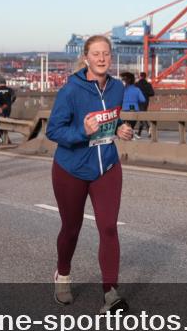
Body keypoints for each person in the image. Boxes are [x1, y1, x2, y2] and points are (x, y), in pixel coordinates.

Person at [46, 35, 134, 313]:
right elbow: (53, 130)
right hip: (71, 168)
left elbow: (113, 118)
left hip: (106, 166)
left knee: (108, 228)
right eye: (96, 54)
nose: (101, 58)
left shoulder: (118, 87)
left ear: (111, 57)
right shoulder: (71, 90)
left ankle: (110, 294)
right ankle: (62, 273)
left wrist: (121, 128)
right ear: (86, 58)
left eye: (106, 54)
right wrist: (81, 132)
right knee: (71, 228)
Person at [120, 72, 147, 138]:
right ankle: (132, 137)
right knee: (131, 127)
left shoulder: (122, 90)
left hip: (124, 110)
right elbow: (143, 100)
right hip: (134, 110)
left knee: (125, 129)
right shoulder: (137, 90)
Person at [0, 78, 16, 144]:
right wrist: (10, 103)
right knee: (5, 122)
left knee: (0, 123)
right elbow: (14, 96)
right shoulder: (10, 90)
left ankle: (0, 136)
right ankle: (4, 137)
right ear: (5, 83)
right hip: (7, 108)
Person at [136, 71, 155, 137]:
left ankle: (148, 130)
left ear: (140, 76)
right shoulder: (148, 84)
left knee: (142, 116)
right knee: (142, 115)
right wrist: (146, 94)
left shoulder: (137, 84)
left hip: (138, 102)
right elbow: (152, 93)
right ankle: (139, 133)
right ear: (145, 77)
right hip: (146, 102)